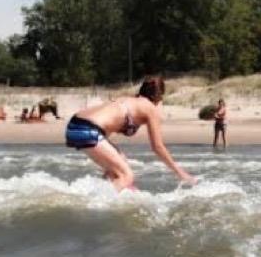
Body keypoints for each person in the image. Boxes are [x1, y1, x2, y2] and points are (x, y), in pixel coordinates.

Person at [65, 75, 197, 191]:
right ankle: (95, 204)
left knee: (118, 165)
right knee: (127, 175)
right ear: (160, 95)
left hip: (75, 125)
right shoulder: (150, 109)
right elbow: (157, 147)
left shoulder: (128, 100)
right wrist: (181, 173)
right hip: (89, 130)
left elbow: (106, 124)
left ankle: (101, 192)